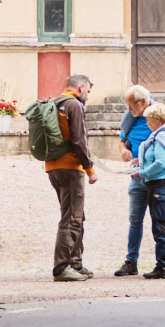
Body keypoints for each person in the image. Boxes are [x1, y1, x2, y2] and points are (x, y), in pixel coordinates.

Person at [114, 86, 165, 277]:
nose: (129, 110)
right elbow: (123, 139)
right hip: (141, 174)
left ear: (143, 103)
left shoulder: (164, 121)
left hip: (156, 179)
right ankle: (135, 262)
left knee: (162, 223)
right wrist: (125, 150)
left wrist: (145, 171)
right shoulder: (130, 119)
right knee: (139, 220)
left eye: (132, 106)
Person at [44, 71, 97, 281]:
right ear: (81, 87)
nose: (88, 96)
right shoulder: (74, 105)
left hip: (53, 167)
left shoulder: (54, 102)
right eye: (89, 91)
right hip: (70, 168)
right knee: (71, 218)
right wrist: (90, 169)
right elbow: (79, 140)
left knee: (75, 215)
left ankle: (76, 263)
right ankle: (62, 268)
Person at [132, 103, 165, 278]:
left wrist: (143, 173)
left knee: (161, 226)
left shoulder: (162, 136)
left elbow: (161, 161)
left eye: (147, 119)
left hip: (159, 184)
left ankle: (163, 267)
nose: (146, 123)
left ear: (156, 119)